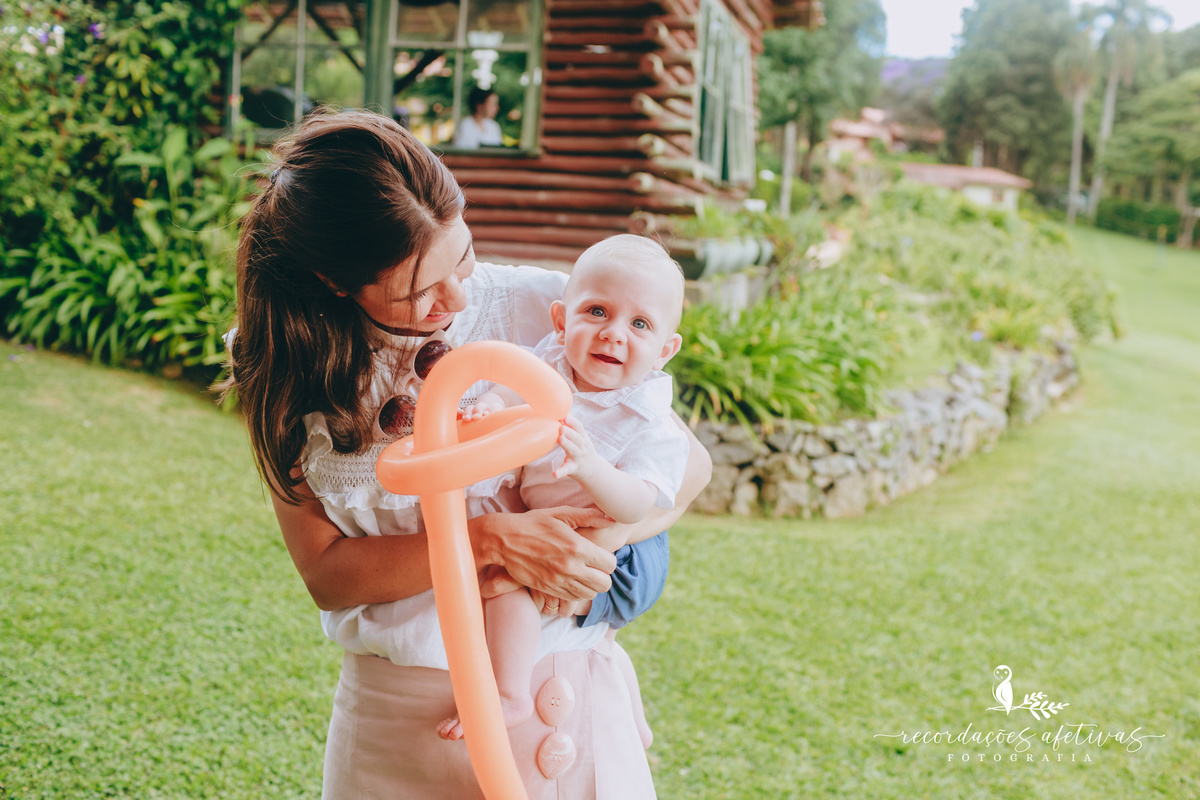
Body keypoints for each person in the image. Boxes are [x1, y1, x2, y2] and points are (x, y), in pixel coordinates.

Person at [219, 109, 711, 799]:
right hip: (390, 726)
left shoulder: (543, 307)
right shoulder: (280, 363)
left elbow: (688, 466)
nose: (456, 298)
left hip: (552, 705)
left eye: (464, 256)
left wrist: (586, 541)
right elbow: (326, 574)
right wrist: (488, 542)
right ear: (335, 280)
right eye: (420, 288)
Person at [437, 236, 688, 749]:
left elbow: (637, 505)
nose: (613, 333)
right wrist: (491, 405)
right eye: (597, 312)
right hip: (570, 531)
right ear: (560, 320)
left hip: (628, 556)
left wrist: (593, 468)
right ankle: (633, 717)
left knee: (506, 583)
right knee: (602, 642)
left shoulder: (651, 421)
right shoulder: (551, 364)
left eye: (640, 324)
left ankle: (510, 694)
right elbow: (514, 388)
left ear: (665, 350)